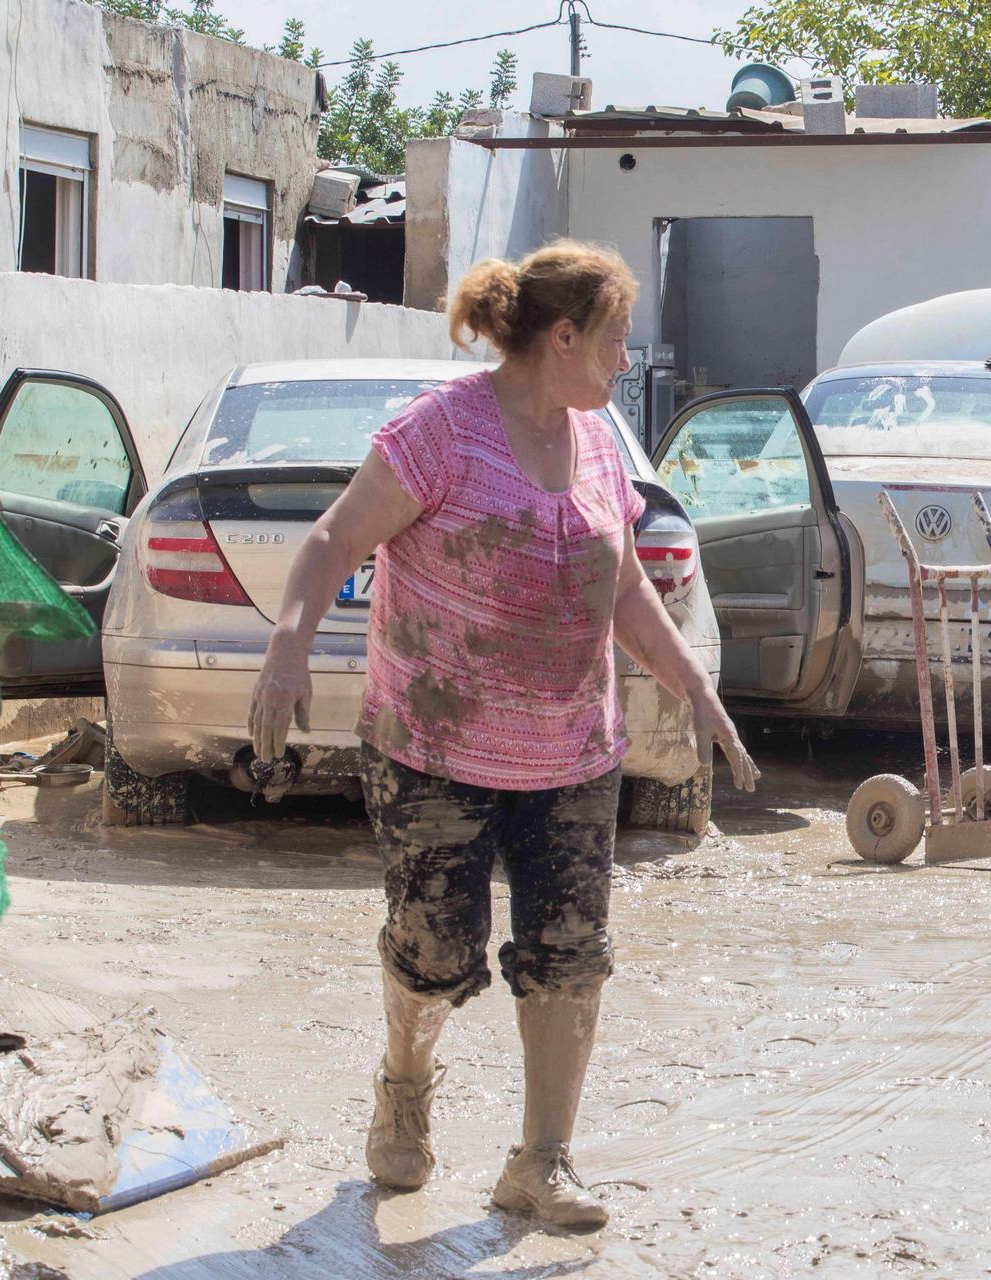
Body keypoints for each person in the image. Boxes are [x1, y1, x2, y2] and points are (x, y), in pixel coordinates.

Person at [248, 242, 758, 1229]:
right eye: (614, 340)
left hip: (571, 749)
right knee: (437, 948)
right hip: (435, 747)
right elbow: (331, 541)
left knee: (572, 949)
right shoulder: (440, 434)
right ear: (562, 335)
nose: (625, 360)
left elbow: (622, 586)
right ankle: (406, 1071)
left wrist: (695, 684)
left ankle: (542, 1159)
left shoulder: (600, 434)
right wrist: (287, 647)